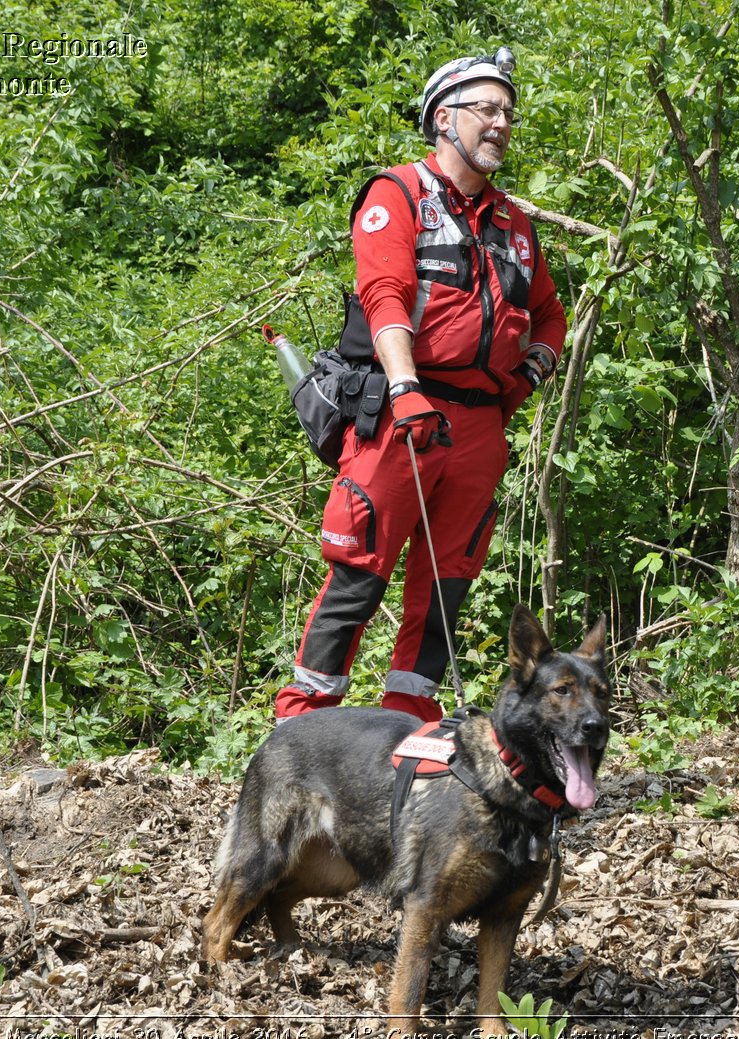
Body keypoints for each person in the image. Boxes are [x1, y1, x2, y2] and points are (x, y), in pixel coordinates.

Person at [275, 48, 568, 724]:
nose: (501, 123)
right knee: (360, 567)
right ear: (445, 117)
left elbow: (549, 312)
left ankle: (408, 719)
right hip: (401, 409)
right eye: (487, 110)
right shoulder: (398, 193)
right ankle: (303, 723)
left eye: (508, 113)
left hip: (479, 426)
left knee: (447, 584)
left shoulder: (514, 224)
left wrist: (530, 371)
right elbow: (385, 294)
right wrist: (405, 386)